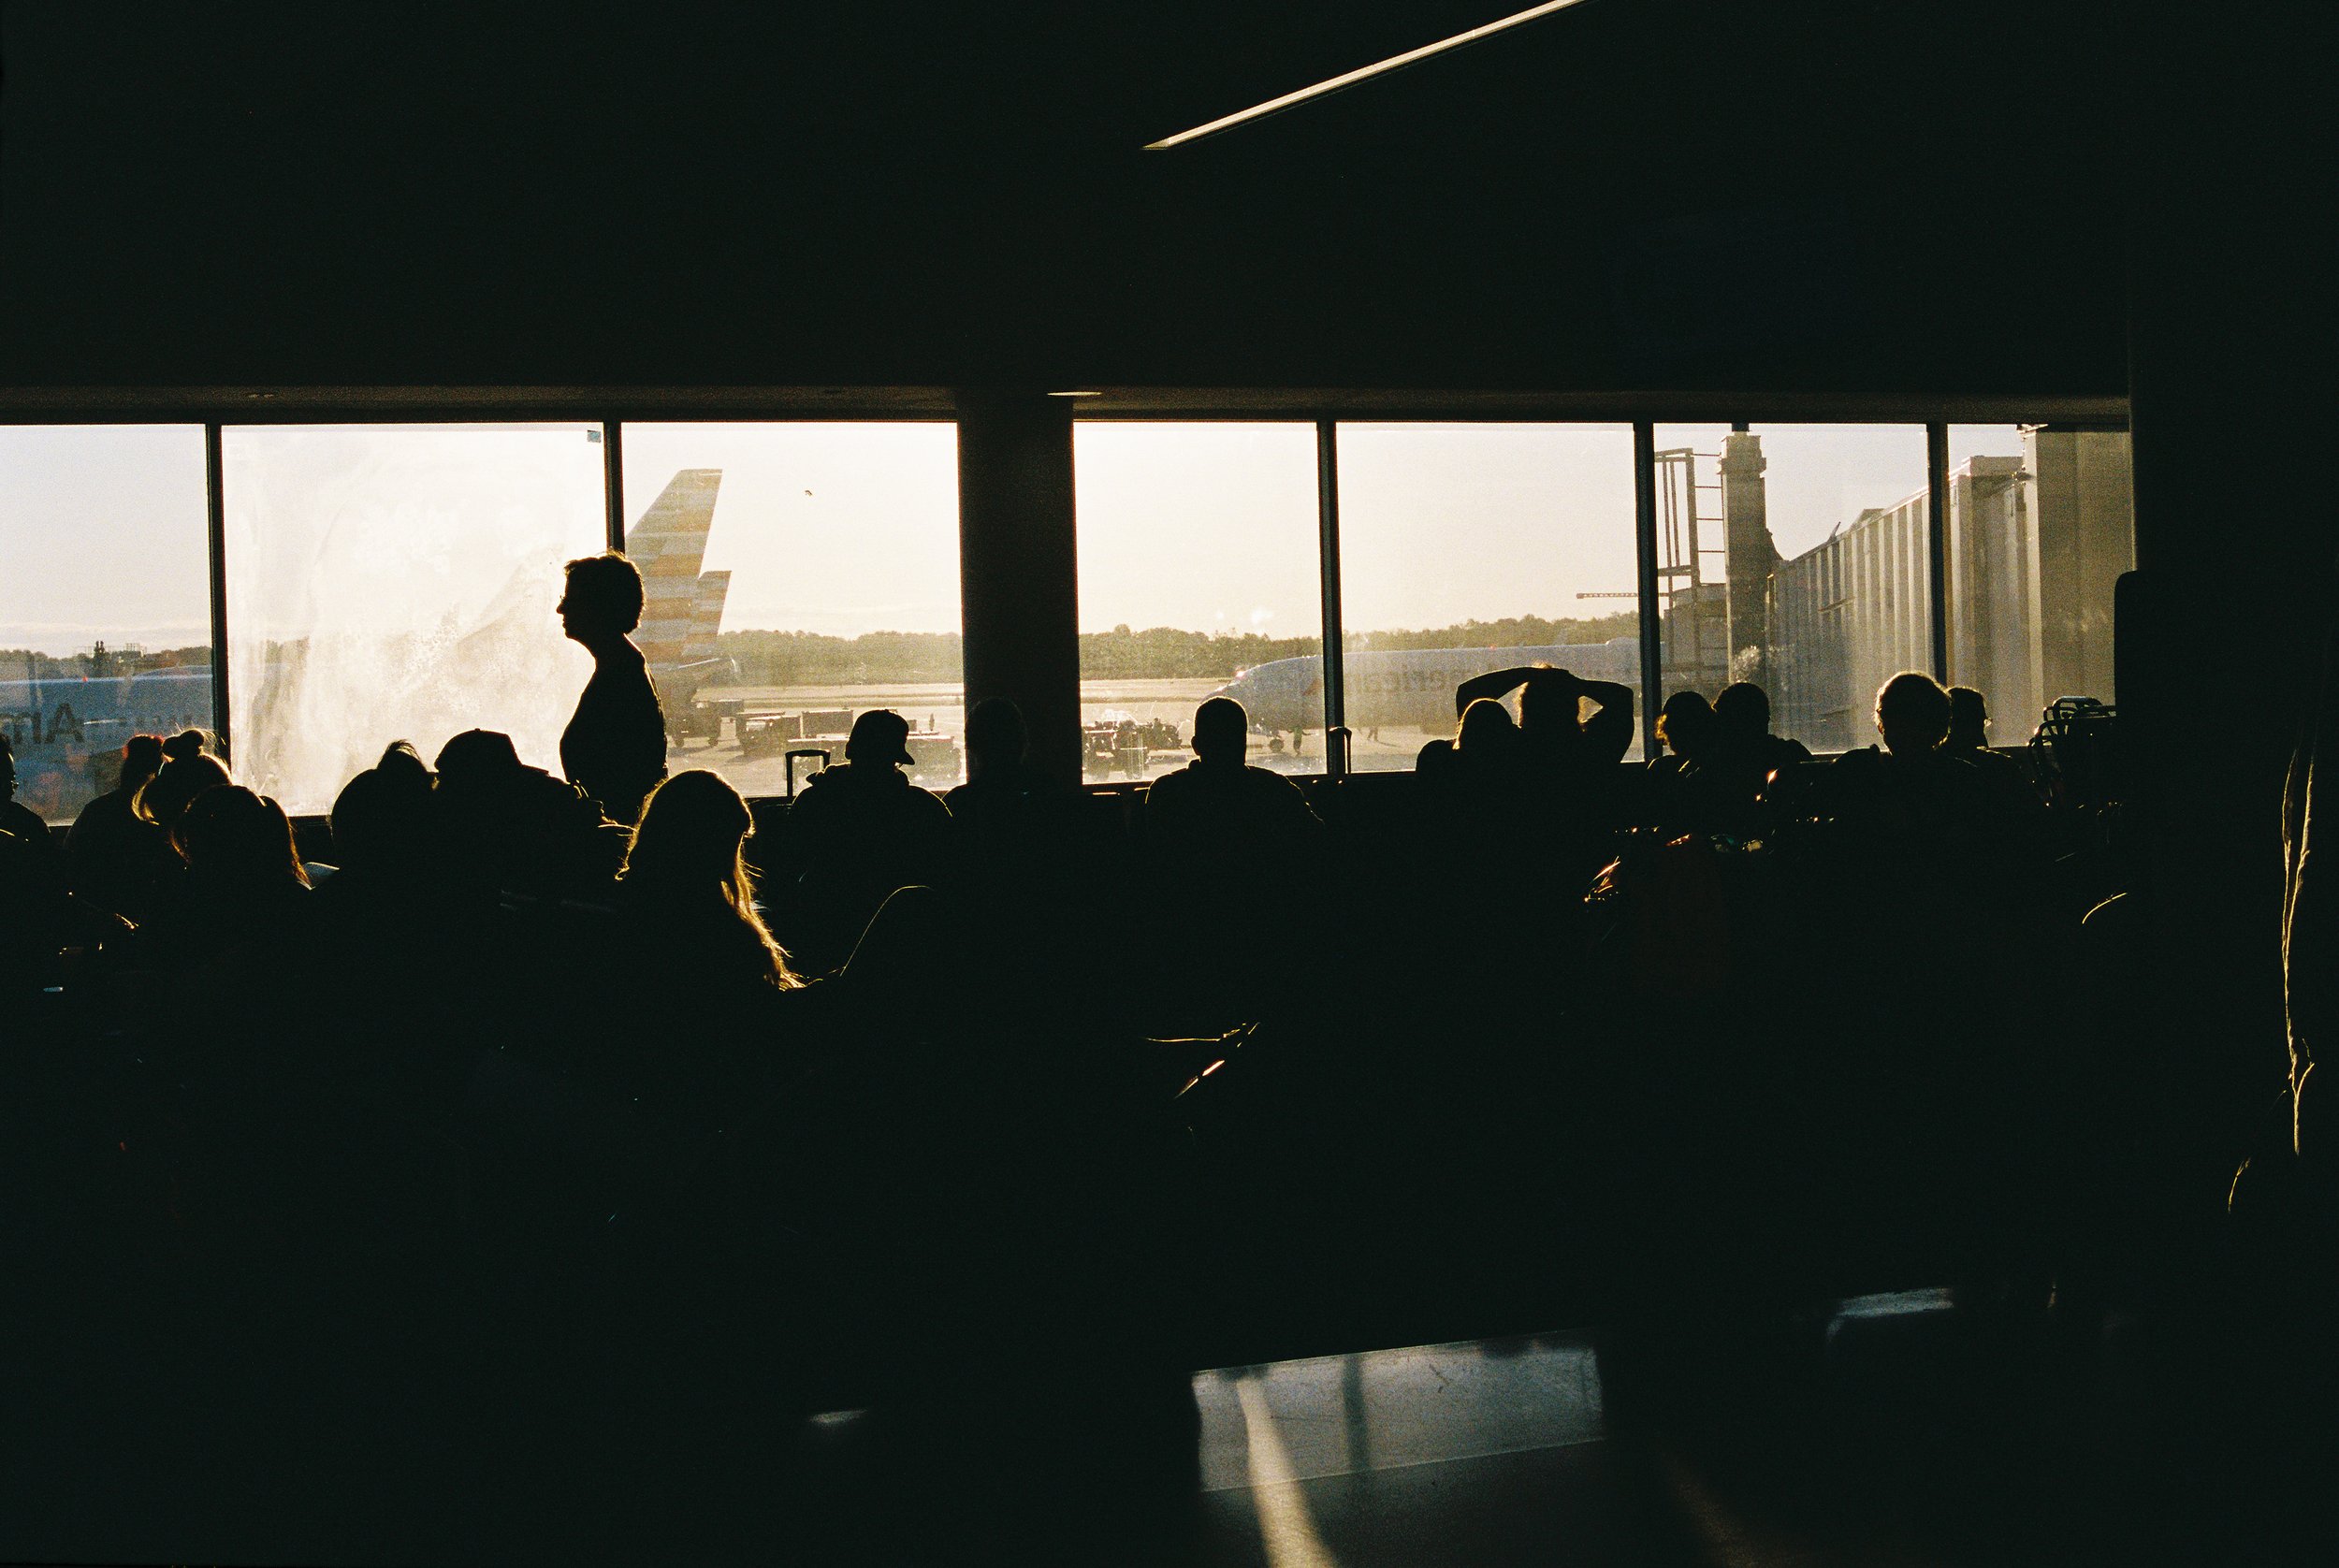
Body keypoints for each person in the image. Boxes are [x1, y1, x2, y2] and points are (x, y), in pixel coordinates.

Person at [780, 708, 955, 971]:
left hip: (824, 935)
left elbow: (785, 870)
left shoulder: (814, 802)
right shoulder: (924, 809)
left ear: (850, 750)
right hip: (903, 946)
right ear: (898, 758)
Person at [558, 550, 668, 827]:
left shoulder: (620, 676)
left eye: (570, 600)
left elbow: (621, 777)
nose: (561, 609)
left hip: (617, 829)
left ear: (598, 606)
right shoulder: (622, 666)